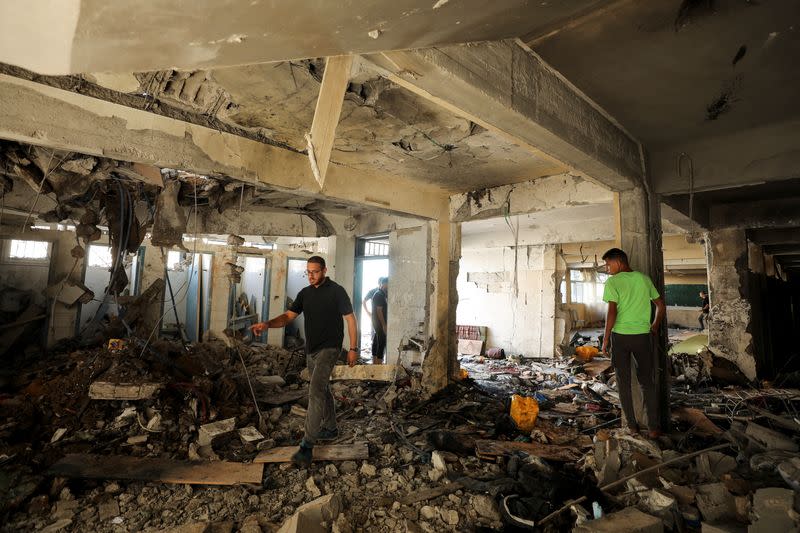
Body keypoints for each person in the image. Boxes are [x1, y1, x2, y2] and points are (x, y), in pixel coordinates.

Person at [250, 256, 358, 467]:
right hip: (312, 350)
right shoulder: (305, 293)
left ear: (324, 270)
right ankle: (330, 428)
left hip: (330, 348)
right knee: (322, 388)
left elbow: (351, 320)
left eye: (315, 272)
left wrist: (353, 348)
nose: (311, 276)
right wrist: (267, 324)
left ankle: (306, 446)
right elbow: (288, 317)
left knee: (315, 391)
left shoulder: (336, 291)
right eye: (308, 272)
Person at [600, 248, 666, 438]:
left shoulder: (612, 282)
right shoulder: (644, 279)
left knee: (624, 383)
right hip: (643, 337)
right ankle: (653, 428)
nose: (607, 268)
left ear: (619, 262)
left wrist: (605, 339)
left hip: (620, 338)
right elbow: (660, 305)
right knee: (647, 382)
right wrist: (654, 326)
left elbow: (611, 312)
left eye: (608, 264)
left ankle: (632, 426)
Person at [370, 278, 388, 363]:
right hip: (379, 322)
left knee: (376, 341)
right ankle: (378, 364)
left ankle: (375, 363)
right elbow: (379, 311)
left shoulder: (381, 294)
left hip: (376, 322)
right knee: (381, 342)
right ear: (384, 284)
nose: (389, 286)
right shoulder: (379, 295)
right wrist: (384, 325)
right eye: (388, 284)